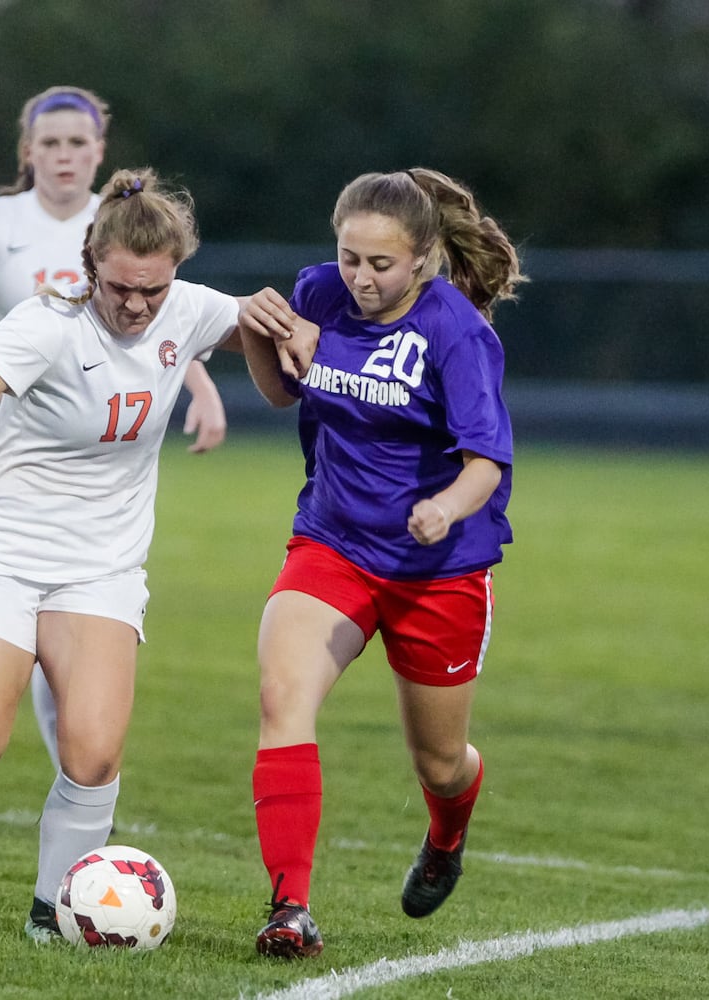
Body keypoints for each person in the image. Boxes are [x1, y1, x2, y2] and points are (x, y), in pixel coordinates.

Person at [0, 168, 278, 944]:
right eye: (120, 289)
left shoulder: (187, 308)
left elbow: (261, 329)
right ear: (91, 269)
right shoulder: (46, 324)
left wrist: (292, 326)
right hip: (5, 555)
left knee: (93, 753)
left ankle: (53, 915)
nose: (137, 306)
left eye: (153, 290)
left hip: (101, 569)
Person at [236, 167, 524, 958]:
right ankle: (288, 908)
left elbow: (485, 464)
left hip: (439, 568)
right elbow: (280, 394)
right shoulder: (318, 292)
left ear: (425, 258)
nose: (359, 279)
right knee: (281, 695)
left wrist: (443, 508)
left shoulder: (457, 332)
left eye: (380, 265)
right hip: (332, 542)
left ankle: (445, 834)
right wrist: (263, 336)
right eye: (349, 258)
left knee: (439, 762)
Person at [0, 85, 228, 775]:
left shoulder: (123, 223)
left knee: (81, 712)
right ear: (27, 151)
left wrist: (202, 386)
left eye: (77, 143)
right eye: (51, 143)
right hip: (25, 431)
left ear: (98, 152)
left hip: (104, 449)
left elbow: (158, 329)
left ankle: (74, 807)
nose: (64, 156)